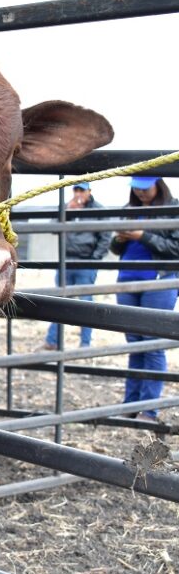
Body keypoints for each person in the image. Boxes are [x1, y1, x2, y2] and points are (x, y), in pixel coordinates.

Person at [111, 175, 179, 420]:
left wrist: (143, 236)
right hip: (127, 278)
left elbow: (176, 248)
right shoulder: (130, 210)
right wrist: (119, 239)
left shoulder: (173, 209)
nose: (141, 193)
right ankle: (130, 407)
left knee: (152, 345)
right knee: (135, 346)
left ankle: (149, 410)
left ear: (158, 184)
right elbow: (116, 249)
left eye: (145, 188)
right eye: (136, 189)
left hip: (158, 280)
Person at [41, 181, 112, 350]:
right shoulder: (67, 207)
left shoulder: (99, 210)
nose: (79, 193)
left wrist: (94, 258)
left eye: (82, 190)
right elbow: (52, 227)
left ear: (89, 192)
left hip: (86, 262)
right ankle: (52, 341)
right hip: (66, 261)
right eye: (76, 189)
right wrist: (67, 211)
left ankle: (85, 343)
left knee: (85, 302)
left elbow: (106, 236)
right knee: (59, 300)